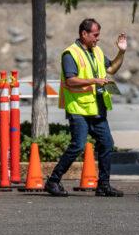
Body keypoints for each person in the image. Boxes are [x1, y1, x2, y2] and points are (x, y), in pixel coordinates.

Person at [45, 18, 127, 197]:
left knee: (107, 144)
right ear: (84, 34)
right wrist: (95, 80)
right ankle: (53, 181)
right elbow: (70, 80)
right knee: (77, 146)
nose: (98, 39)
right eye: (95, 35)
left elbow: (111, 69)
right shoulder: (70, 53)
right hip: (79, 109)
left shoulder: (96, 51)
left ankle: (103, 185)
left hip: (97, 108)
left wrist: (121, 52)